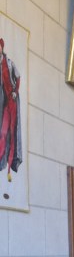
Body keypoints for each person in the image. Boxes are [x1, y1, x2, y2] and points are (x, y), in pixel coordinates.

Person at [0, 37, 22, 182]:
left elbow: (18, 77)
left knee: (12, 133)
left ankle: (9, 167)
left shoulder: (9, 62)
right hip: (4, 102)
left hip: (12, 101)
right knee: (3, 131)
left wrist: (15, 91)